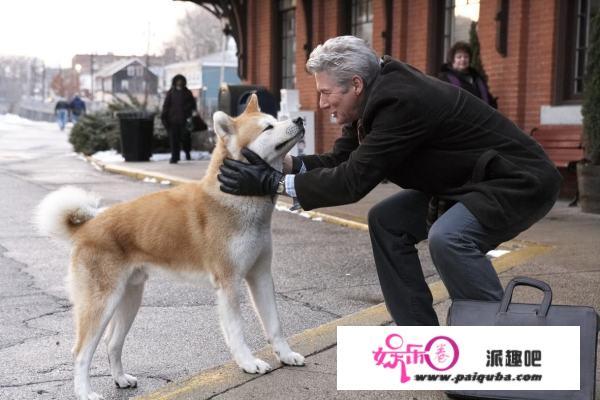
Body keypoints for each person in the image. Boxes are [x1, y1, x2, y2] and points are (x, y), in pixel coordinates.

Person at [217, 36, 561, 326]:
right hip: (468, 183)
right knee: (386, 221)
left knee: (450, 238)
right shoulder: (371, 98)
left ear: (355, 85)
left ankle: (496, 340)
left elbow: (352, 181)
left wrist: (269, 185)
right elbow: (341, 160)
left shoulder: (401, 102)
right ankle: (422, 341)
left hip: (517, 181)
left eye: (325, 93)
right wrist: (281, 165)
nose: (321, 104)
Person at [438, 41, 497, 108]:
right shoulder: (445, 79)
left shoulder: (477, 78)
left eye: (466, 57)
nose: (463, 59)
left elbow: (488, 99)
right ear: (452, 60)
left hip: (481, 116)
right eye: (459, 57)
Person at [161, 74, 197, 164]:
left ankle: (187, 153)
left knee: (186, 138)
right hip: (173, 121)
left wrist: (187, 110)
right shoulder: (171, 93)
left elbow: (193, 105)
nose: (179, 82)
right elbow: (166, 105)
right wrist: (164, 116)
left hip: (184, 120)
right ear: (174, 82)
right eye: (177, 80)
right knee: (174, 140)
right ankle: (174, 157)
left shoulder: (187, 92)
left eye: (181, 80)